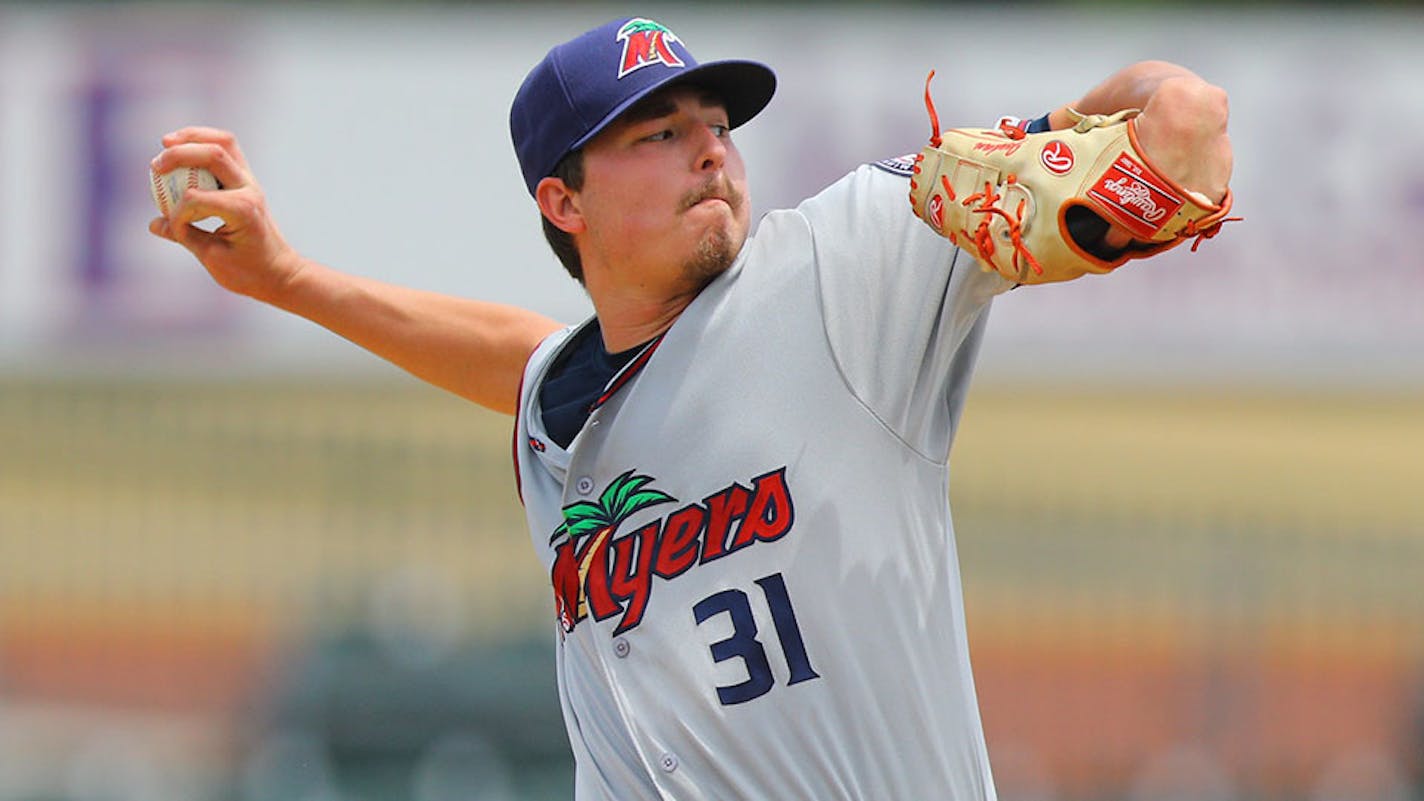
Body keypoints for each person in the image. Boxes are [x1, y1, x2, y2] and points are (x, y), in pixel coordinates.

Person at [149, 15, 1232, 801]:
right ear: (561, 201)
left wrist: (1111, 144)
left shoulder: (841, 266)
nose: (709, 146)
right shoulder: (560, 402)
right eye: (656, 132)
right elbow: (519, 357)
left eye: (713, 123)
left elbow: (1178, 114)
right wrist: (286, 281)